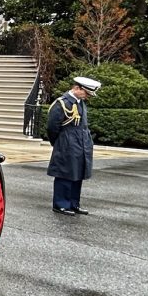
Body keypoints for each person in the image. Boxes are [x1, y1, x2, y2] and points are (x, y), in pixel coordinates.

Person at [46, 75, 101, 216]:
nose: (87, 96)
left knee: (77, 174)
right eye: (86, 93)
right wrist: (59, 144)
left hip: (81, 144)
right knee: (65, 175)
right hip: (67, 143)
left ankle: (73, 204)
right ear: (77, 88)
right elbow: (52, 128)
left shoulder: (79, 102)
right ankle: (61, 204)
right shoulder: (61, 103)